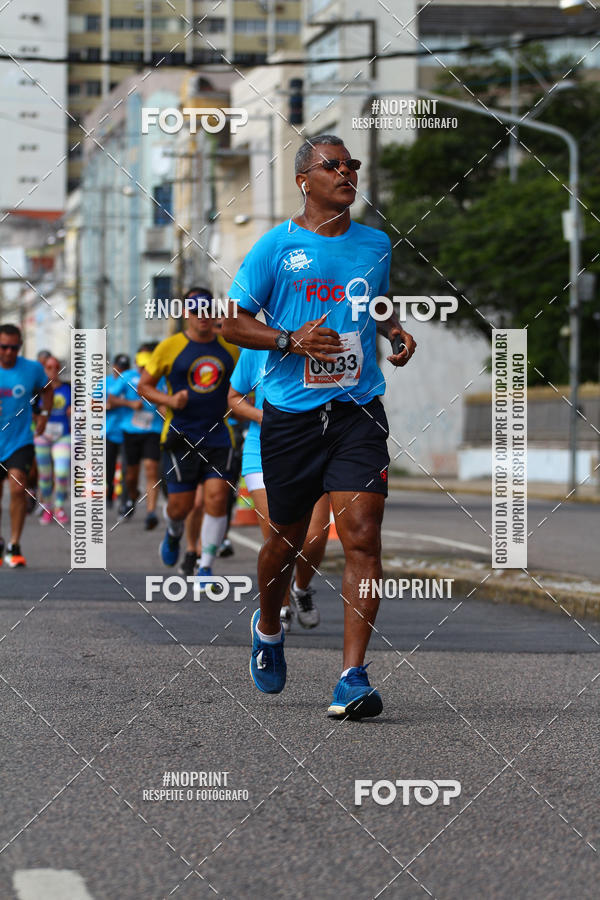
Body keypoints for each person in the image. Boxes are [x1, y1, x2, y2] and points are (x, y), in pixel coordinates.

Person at [223, 134, 416, 719]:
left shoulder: (375, 244)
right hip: (290, 415)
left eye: (352, 165)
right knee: (283, 542)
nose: (347, 173)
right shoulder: (274, 248)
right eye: (334, 166)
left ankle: (352, 677)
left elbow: (375, 301)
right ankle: (269, 624)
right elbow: (232, 323)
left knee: (361, 532)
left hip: (358, 408)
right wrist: (288, 339)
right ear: (305, 179)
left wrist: (394, 331)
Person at [138, 287, 239, 581]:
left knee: (217, 498)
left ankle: (206, 564)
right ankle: (173, 532)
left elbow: (244, 385)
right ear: (186, 313)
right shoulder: (169, 347)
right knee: (180, 507)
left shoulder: (230, 348)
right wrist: (170, 401)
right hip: (180, 436)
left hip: (219, 435)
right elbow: (145, 386)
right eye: (196, 311)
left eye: (209, 311)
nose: (203, 317)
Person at [228, 348, 329, 631]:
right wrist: (263, 416)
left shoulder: (325, 340)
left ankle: (301, 588)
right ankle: (281, 605)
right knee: (279, 538)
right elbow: (234, 400)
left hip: (316, 449)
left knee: (315, 536)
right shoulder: (256, 349)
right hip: (263, 451)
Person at [0, 324, 53, 566]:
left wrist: (43, 414)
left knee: (17, 488)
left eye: (14, 347)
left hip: (19, 440)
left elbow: (48, 389)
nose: (9, 352)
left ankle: (14, 545)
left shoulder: (32, 369)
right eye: (4, 347)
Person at [120, 344, 163, 530]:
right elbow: (109, 398)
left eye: (147, 365)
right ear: (136, 363)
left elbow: (165, 400)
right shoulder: (127, 377)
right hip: (131, 431)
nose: (144, 369)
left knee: (151, 468)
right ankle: (132, 494)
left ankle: (151, 513)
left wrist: (164, 406)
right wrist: (130, 403)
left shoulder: (159, 379)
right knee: (131, 475)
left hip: (153, 430)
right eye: (141, 366)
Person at [34, 355, 71, 524]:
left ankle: (60, 507)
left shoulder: (68, 388)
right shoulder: (37, 389)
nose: (53, 370)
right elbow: (30, 411)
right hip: (42, 435)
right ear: (44, 369)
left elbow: (80, 409)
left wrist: (75, 411)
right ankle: (47, 507)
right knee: (45, 475)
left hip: (63, 435)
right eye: (49, 367)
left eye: (56, 367)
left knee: (62, 472)